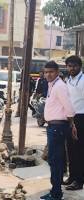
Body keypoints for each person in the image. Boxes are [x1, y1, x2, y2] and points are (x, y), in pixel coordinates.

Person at [40, 61, 77, 200]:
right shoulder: (52, 85)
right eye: (46, 72)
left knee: (55, 160)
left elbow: (69, 107)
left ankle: (56, 193)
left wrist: (71, 124)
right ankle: (55, 190)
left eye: (51, 72)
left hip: (58, 128)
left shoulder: (59, 86)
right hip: (54, 127)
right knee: (55, 160)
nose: (48, 74)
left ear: (57, 72)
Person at [64, 55, 84, 191]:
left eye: (74, 66)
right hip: (69, 118)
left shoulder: (83, 80)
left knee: (79, 151)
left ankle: (79, 181)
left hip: (81, 118)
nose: (71, 68)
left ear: (80, 66)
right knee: (70, 149)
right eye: (69, 66)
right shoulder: (67, 80)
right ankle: (72, 177)